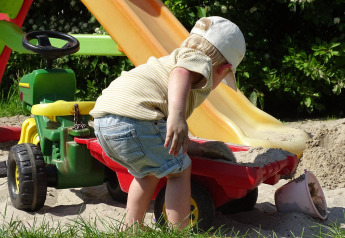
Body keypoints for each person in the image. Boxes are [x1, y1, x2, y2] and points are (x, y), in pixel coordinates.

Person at [90, 16, 246, 230]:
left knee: (147, 171)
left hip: (103, 121)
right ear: (223, 69)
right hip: (134, 120)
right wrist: (177, 116)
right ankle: (177, 230)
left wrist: (190, 143)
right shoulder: (200, 62)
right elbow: (180, 74)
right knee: (180, 169)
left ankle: (131, 227)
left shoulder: (176, 57)